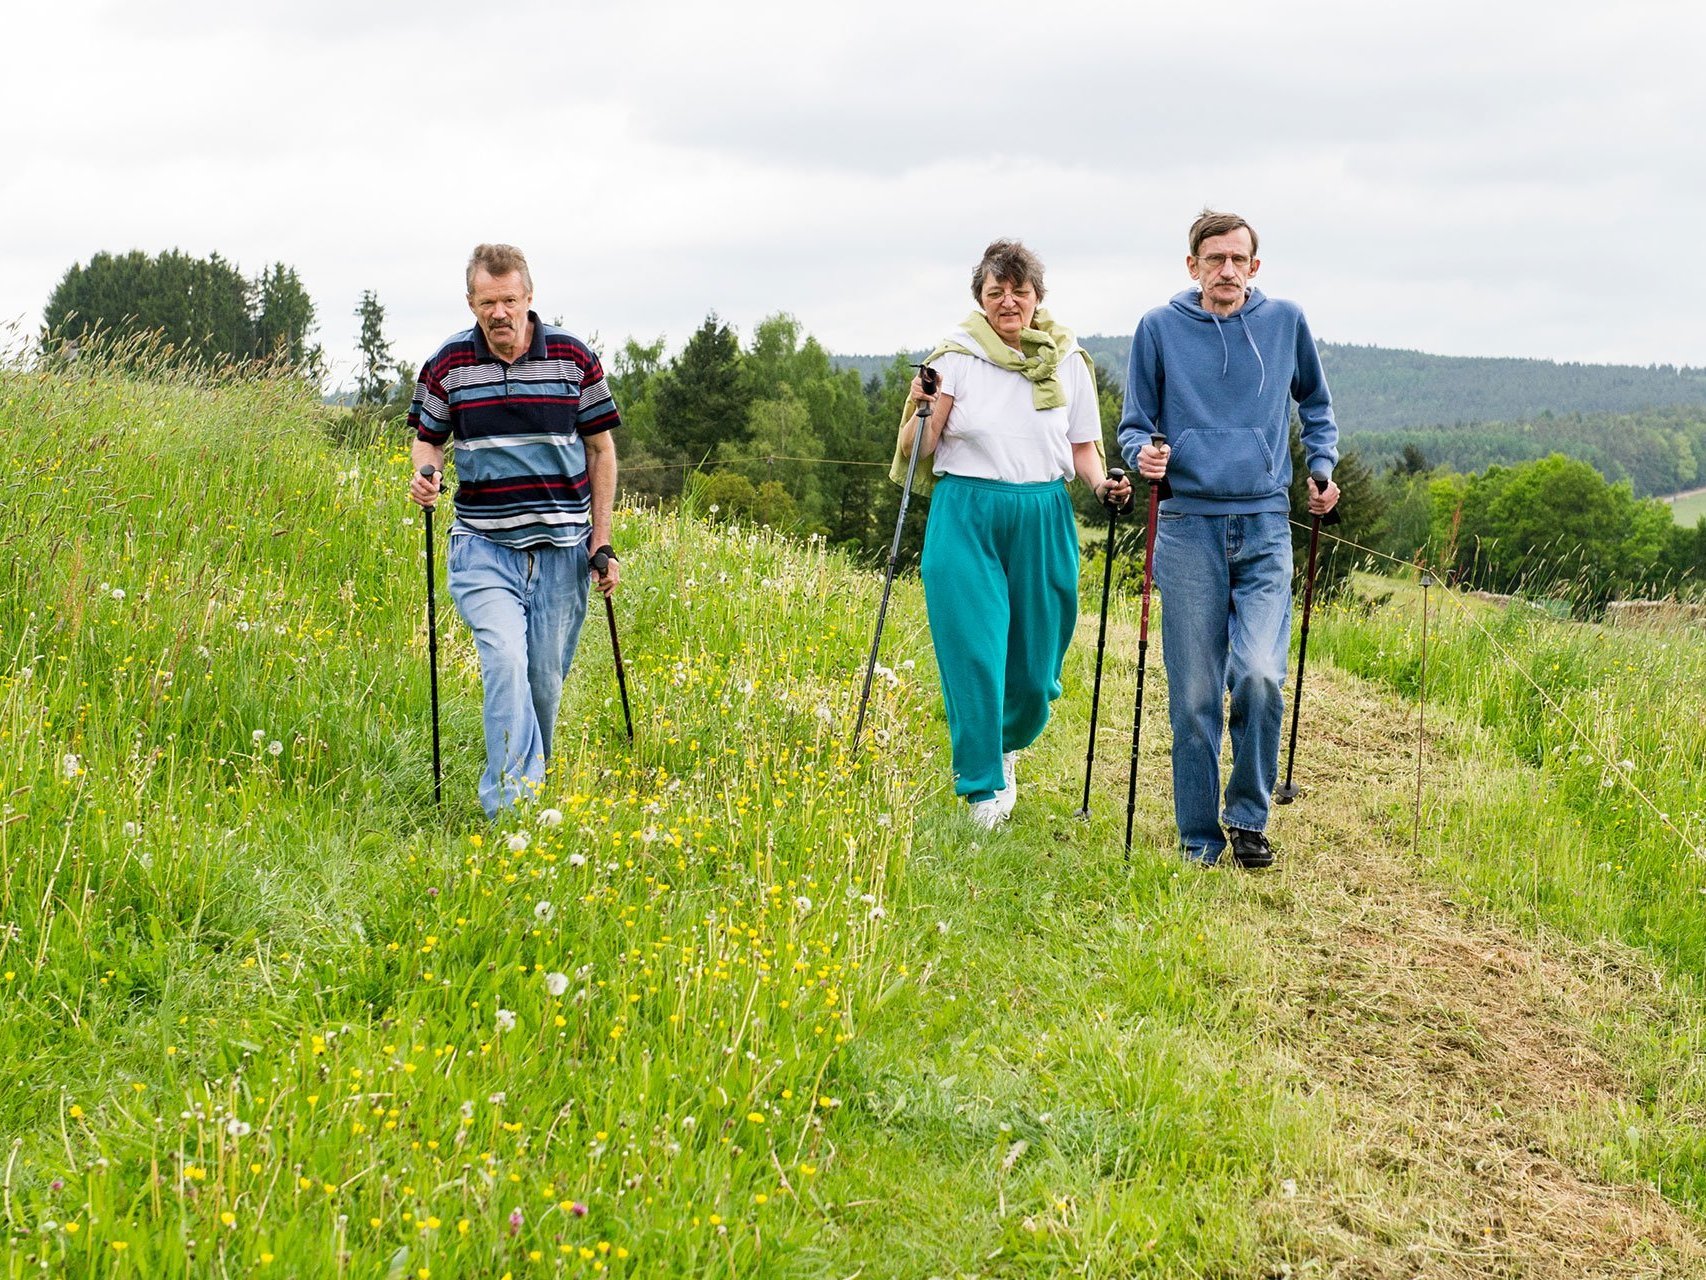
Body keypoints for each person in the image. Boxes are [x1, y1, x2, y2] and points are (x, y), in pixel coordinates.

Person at [1117, 209, 1339, 869]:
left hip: (1266, 522)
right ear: (1192, 266)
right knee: (1192, 695)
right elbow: (1135, 425)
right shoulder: (1158, 329)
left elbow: (1317, 406)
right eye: (1214, 259)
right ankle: (1198, 839)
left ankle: (1247, 818)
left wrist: (1321, 468)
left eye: (1238, 259)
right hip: (1187, 525)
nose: (1227, 271)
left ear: (1255, 266)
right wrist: (1144, 455)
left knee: (1262, 677)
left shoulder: (1284, 322)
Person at [898, 239, 1131, 829]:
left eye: (1018, 291)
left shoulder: (1069, 360)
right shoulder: (954, 359)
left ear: (1036, 298)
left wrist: (1103, 486)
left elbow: (1082, 448)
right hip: (966, 511)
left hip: (1043, 514)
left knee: (1032, 670)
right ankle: (980, 789)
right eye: (995, 291)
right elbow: (920, 448)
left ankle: (1006, 743)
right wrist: (919, 410)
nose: (1008, 302)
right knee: (974, 651)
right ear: (980, 298)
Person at [407, 243, 621, 817]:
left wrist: (601, 541)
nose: (498, 313)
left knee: (544, 685)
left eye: (508, 300)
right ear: (471, 302)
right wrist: (426, 472)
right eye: (486, 302)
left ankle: (533, 784)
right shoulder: (449, 364)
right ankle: (509, 812)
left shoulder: (575, 359)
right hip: (483, 548)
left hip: (561, 552)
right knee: (504, 664)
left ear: (528, 297)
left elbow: (601, 451)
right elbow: (428, 436)